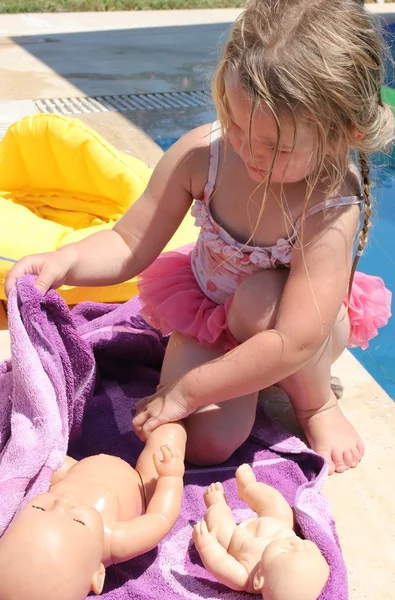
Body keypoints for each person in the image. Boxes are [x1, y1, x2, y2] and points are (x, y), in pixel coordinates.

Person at [5, 0, 393, 475]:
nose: (249, 152)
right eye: (234, 123)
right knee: (207, 443)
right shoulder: (202, 156)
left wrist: (189, 390)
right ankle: (242, 383)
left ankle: (314, 405)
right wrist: (66, 261)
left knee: (259, 302)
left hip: (299, 334)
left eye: (275, 147)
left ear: (343, 134)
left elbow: (294, 339)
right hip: (212, 314)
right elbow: (129, 242)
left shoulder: (330, 202)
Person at [0, 423, 186, 600]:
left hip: (73, 470)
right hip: (139, 485)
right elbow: (160, 517)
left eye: (40, 508)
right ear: (98, 575)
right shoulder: (114, 540)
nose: (65, 502)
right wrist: (171, 477)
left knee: (37, 451)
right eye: (77, 521)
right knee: (169, 434)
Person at [192, 464, 329, 599]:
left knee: (221, 529)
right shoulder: (288, 538)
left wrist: (206, 546)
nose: (296, 543)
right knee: (278, 506)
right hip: (275, 520)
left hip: (234, 538)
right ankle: (249, 488)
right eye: (307, 547)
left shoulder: (244, 577)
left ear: (259, 578)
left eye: (288, 551)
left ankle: (217, 503)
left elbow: (220, 562)